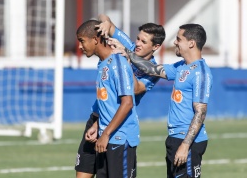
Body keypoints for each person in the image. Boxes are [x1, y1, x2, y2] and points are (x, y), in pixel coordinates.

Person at [110, 23, 213, 178]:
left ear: (191, 43)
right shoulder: (181, 66)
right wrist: (126, 53)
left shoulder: (201, 73)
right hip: (174, 138)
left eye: (179, 39)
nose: (175, 42)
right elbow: (151, 69)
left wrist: (185, 146)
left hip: (187, 141)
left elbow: (200, 112)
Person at [75, 15, 166, 178]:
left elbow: (134, 91)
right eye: (138, 38)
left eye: (144, 42)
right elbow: (105, 21)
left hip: (118, 127)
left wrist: (127, 57)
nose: (137, 43)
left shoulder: (151, 70)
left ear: (156, 46)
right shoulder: (125, 49)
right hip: (99, 120)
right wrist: (107, 23)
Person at [76, 19, 140, 178]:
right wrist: (98, 126)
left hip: (120, 138)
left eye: (82, 41)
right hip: (106, 136)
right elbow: (109, 103)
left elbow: (127, 102)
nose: (80, 46)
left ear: (95, 40)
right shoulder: (103, 64)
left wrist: (105, 134)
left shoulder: (118, 63)